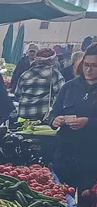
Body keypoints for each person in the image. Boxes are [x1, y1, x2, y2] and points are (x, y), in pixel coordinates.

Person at [48, 46, 97, 193]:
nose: (88, 70)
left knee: (86, 202)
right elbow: (53, 113)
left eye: (94, 66)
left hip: (91, 158)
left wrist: (88, 122)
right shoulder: (69, 87)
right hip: (64, 154)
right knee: (60, 195)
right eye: (86, 65)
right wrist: (54, 121)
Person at [15, 48, 66, 122]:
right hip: (42, 116)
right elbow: (61, 95)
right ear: (52, 60)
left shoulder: (26, 74)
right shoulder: (54, 74)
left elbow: (17, 94)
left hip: (23, 114)